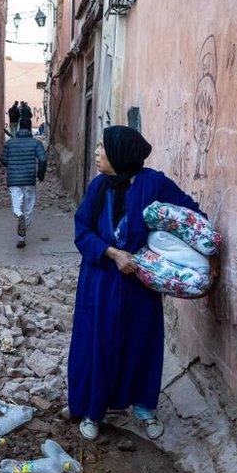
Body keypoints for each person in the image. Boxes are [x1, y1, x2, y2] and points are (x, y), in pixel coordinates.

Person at [68, 125, 218, 441]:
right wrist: (112, 253)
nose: (97, 153)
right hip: (101, 282)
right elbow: (82, 232)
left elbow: (192, 218)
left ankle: (143, 407)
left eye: (102, 149)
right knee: (99, 343)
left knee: (141, 341)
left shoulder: (154, 184)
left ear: (120, 154)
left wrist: (166, 254)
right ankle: (93, 411)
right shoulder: (98, 188)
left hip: (140, 283)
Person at [1, 118, 47, 248]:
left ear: (20, 127)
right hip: (29, 180)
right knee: (28, 207)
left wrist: (12, 164)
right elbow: (43, 160)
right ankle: (21, 237)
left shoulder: (10, 143)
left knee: (17, 204)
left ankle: (18, 215)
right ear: (30, 127)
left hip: (14, 179)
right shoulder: (35, 143)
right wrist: (40, 175)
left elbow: (3, 160)